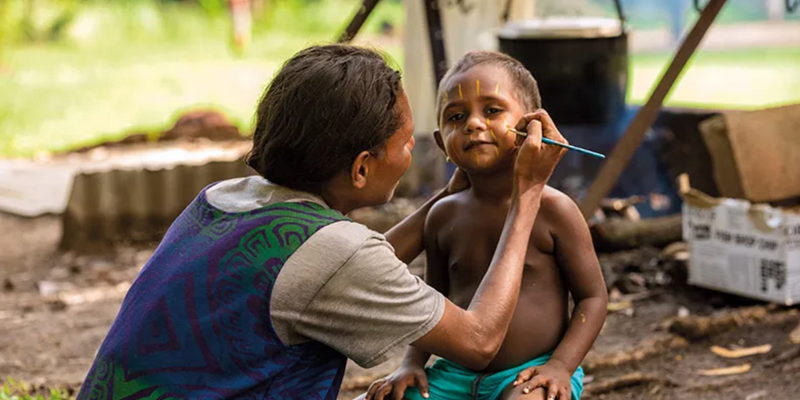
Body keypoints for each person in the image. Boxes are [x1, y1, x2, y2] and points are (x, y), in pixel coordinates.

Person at [76, 44, 568, 400]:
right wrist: (526, 195)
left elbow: (352, 266)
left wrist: (445, 194)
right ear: (361, 168)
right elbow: (479, 342)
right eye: (405, 142)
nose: (415, 147)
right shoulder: (338, 255)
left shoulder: (222, 199)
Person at [365, 51, 608, 400]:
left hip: (530, 374)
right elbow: (432, 302)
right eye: (457, 116)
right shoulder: (443, 215)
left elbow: (594, 297)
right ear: (440, 144)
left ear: (532, 127)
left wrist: (561, 366)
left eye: (492, 110)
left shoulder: (554, 209)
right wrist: (412, 362)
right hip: (453, 376)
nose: (474, 124)